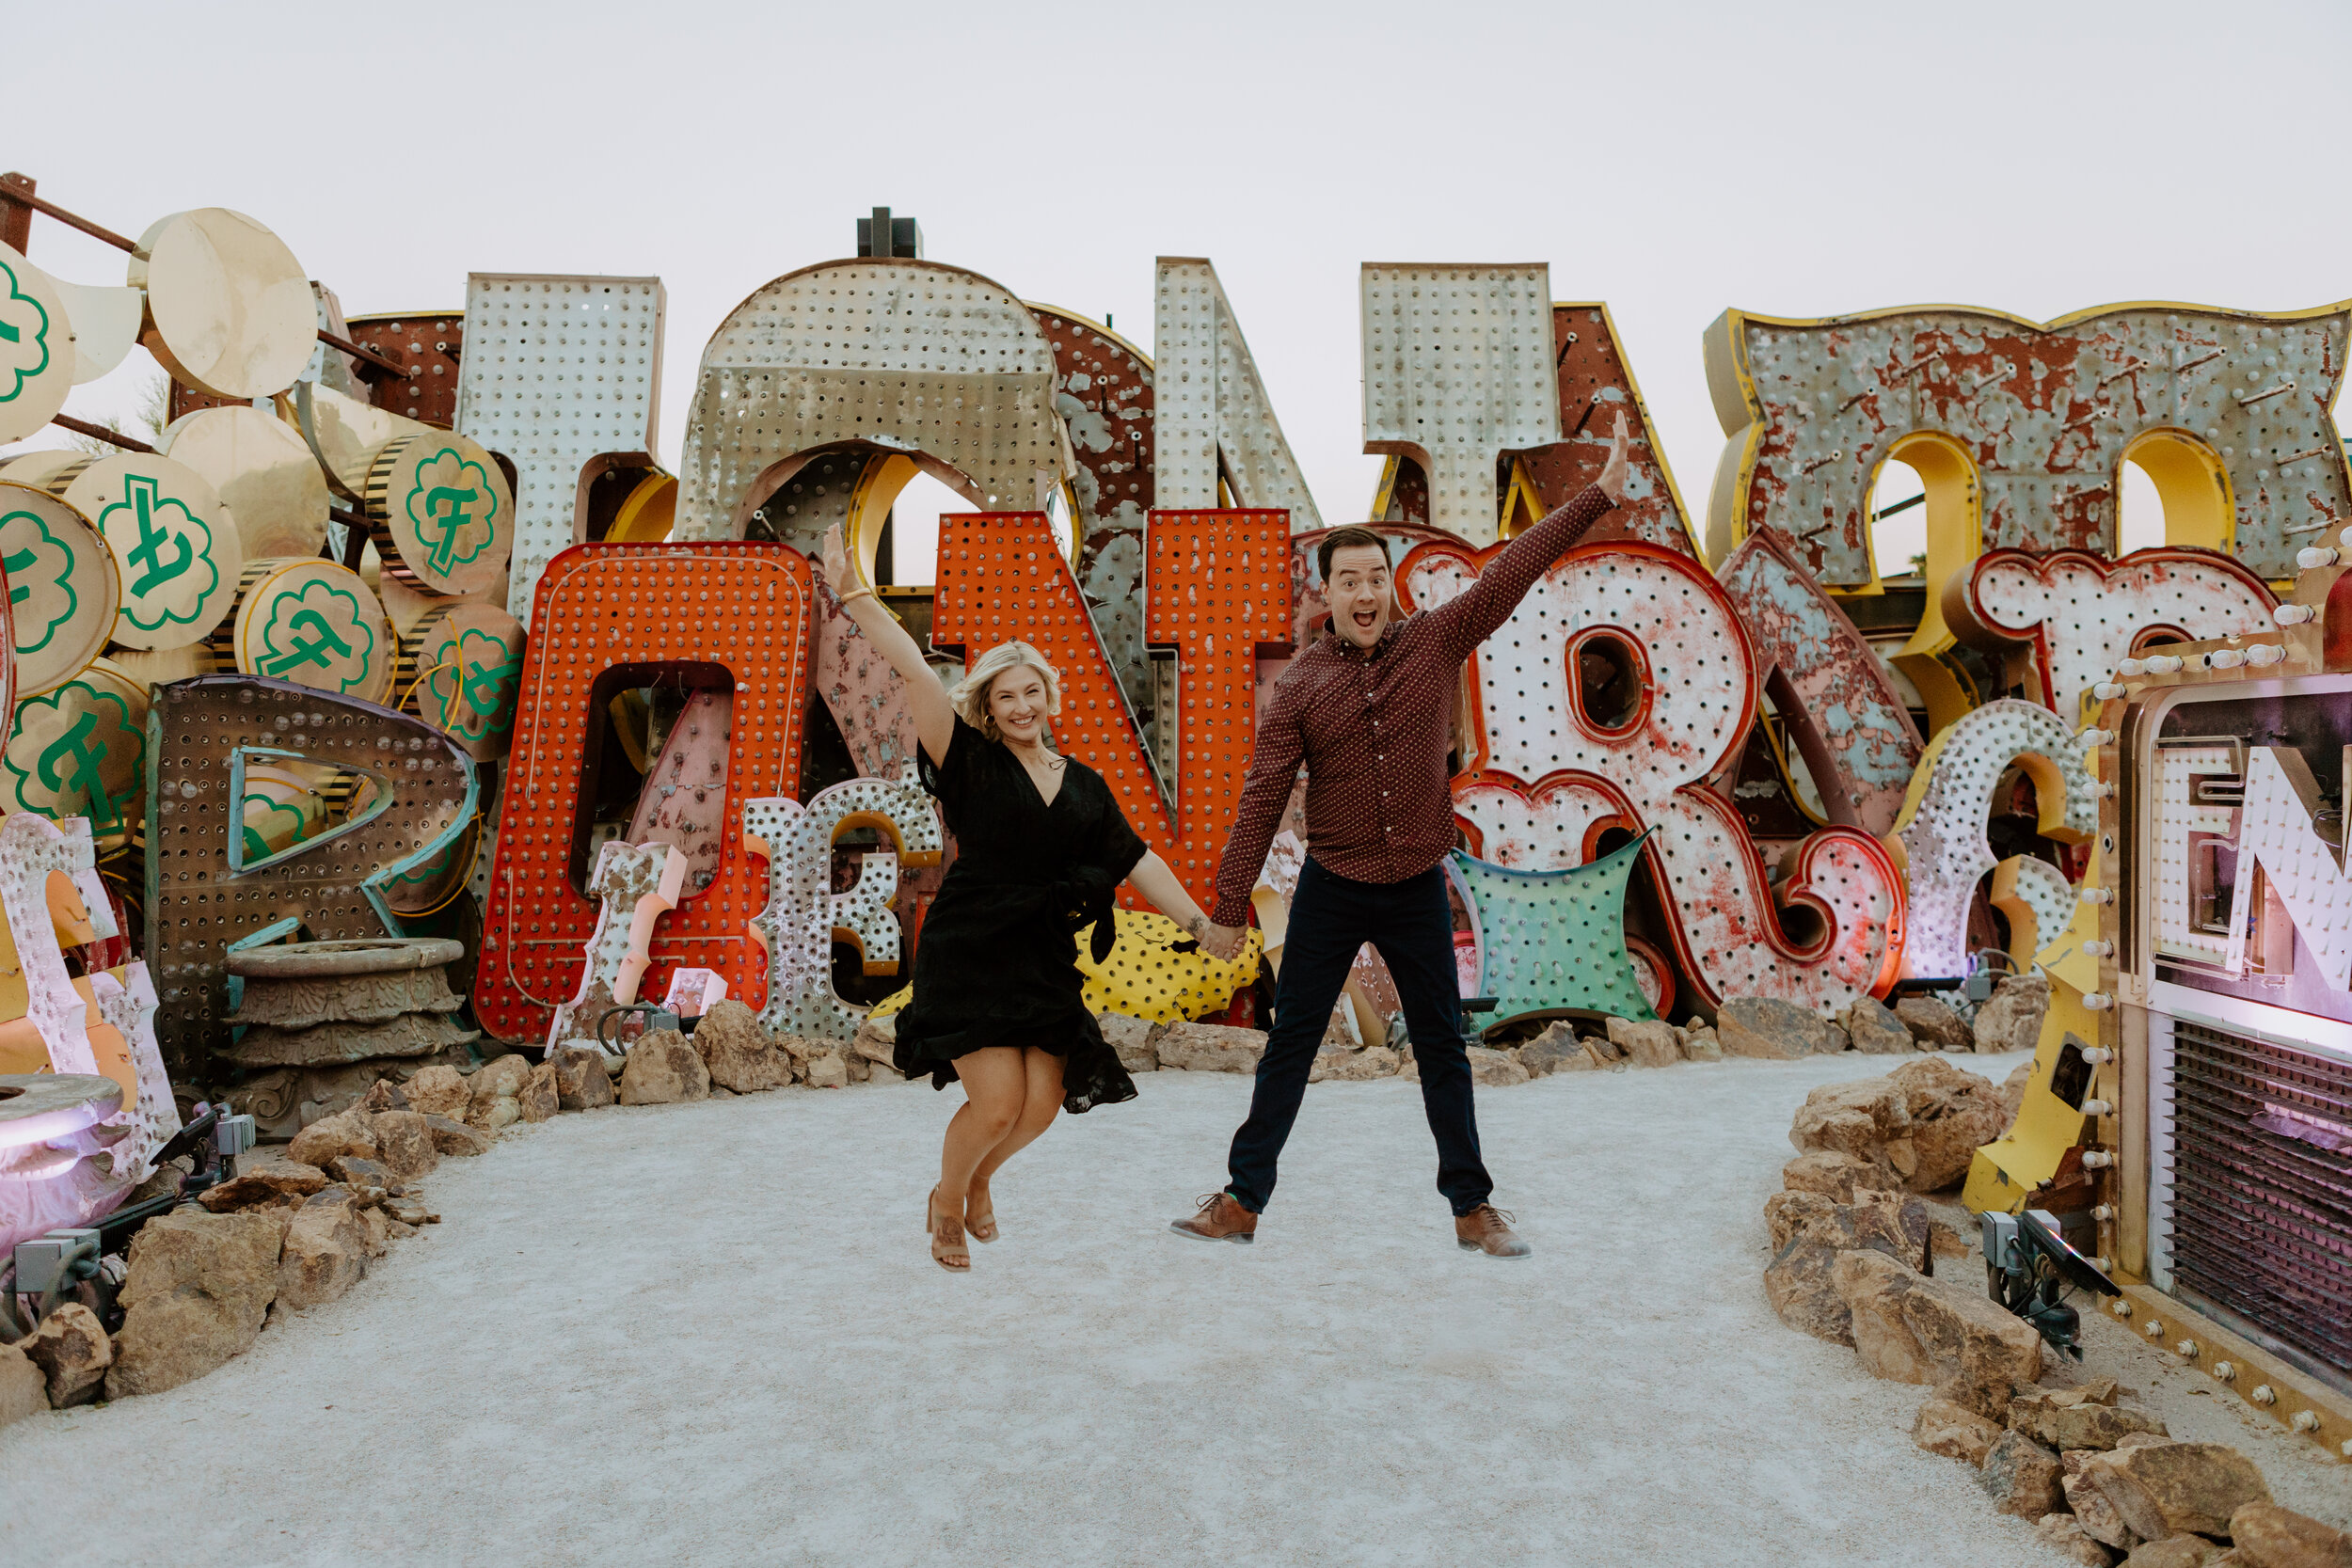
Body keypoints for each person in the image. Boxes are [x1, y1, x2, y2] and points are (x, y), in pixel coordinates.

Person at [1174, 415, 1633, 1259]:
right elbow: (1260, 797)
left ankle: (1472, 1207)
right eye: (1348, 578)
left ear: (1390, 585)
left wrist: (1598, 494)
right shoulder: (1304, 687)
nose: (1364, 591)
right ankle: (1242, 1199)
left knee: (1441, 1049)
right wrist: (1229, 904)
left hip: (1418, 881)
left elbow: (1511, 572)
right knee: (1290, 1047)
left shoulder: (1434, 639)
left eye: (1376, 577)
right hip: (1335, 886)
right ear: (1327, 593)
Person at [818, 524, 1229, 1273]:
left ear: (1049, 695)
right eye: (1005, 694)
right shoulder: (967, 760)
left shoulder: (1084, 785)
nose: (1020, 704)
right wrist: (854, 593)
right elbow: (912, 671)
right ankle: (947, 1201)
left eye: (1030, 690)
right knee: (999, 1101)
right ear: (988, 705)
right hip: (973, 943)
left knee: (1042, 1104)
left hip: (1041, 952)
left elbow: (1136, 860)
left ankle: (978, 1181)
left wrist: (1199, 923)